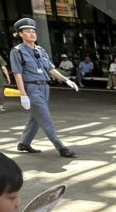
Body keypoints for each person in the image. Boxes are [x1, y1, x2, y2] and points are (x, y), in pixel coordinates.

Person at [8, 18, 79, 158]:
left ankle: (24, 143)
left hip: (45, 87)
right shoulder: (17, 51)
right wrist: (23, 94)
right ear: (20, 34)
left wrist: (66, 80)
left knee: (36, 117)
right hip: (32, 88)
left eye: (33, 31)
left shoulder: (40, 50)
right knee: (45, 118)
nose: (32, 33)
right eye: (27, 31)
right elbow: (17, 74)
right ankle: (61, 148)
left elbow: (51, 69)